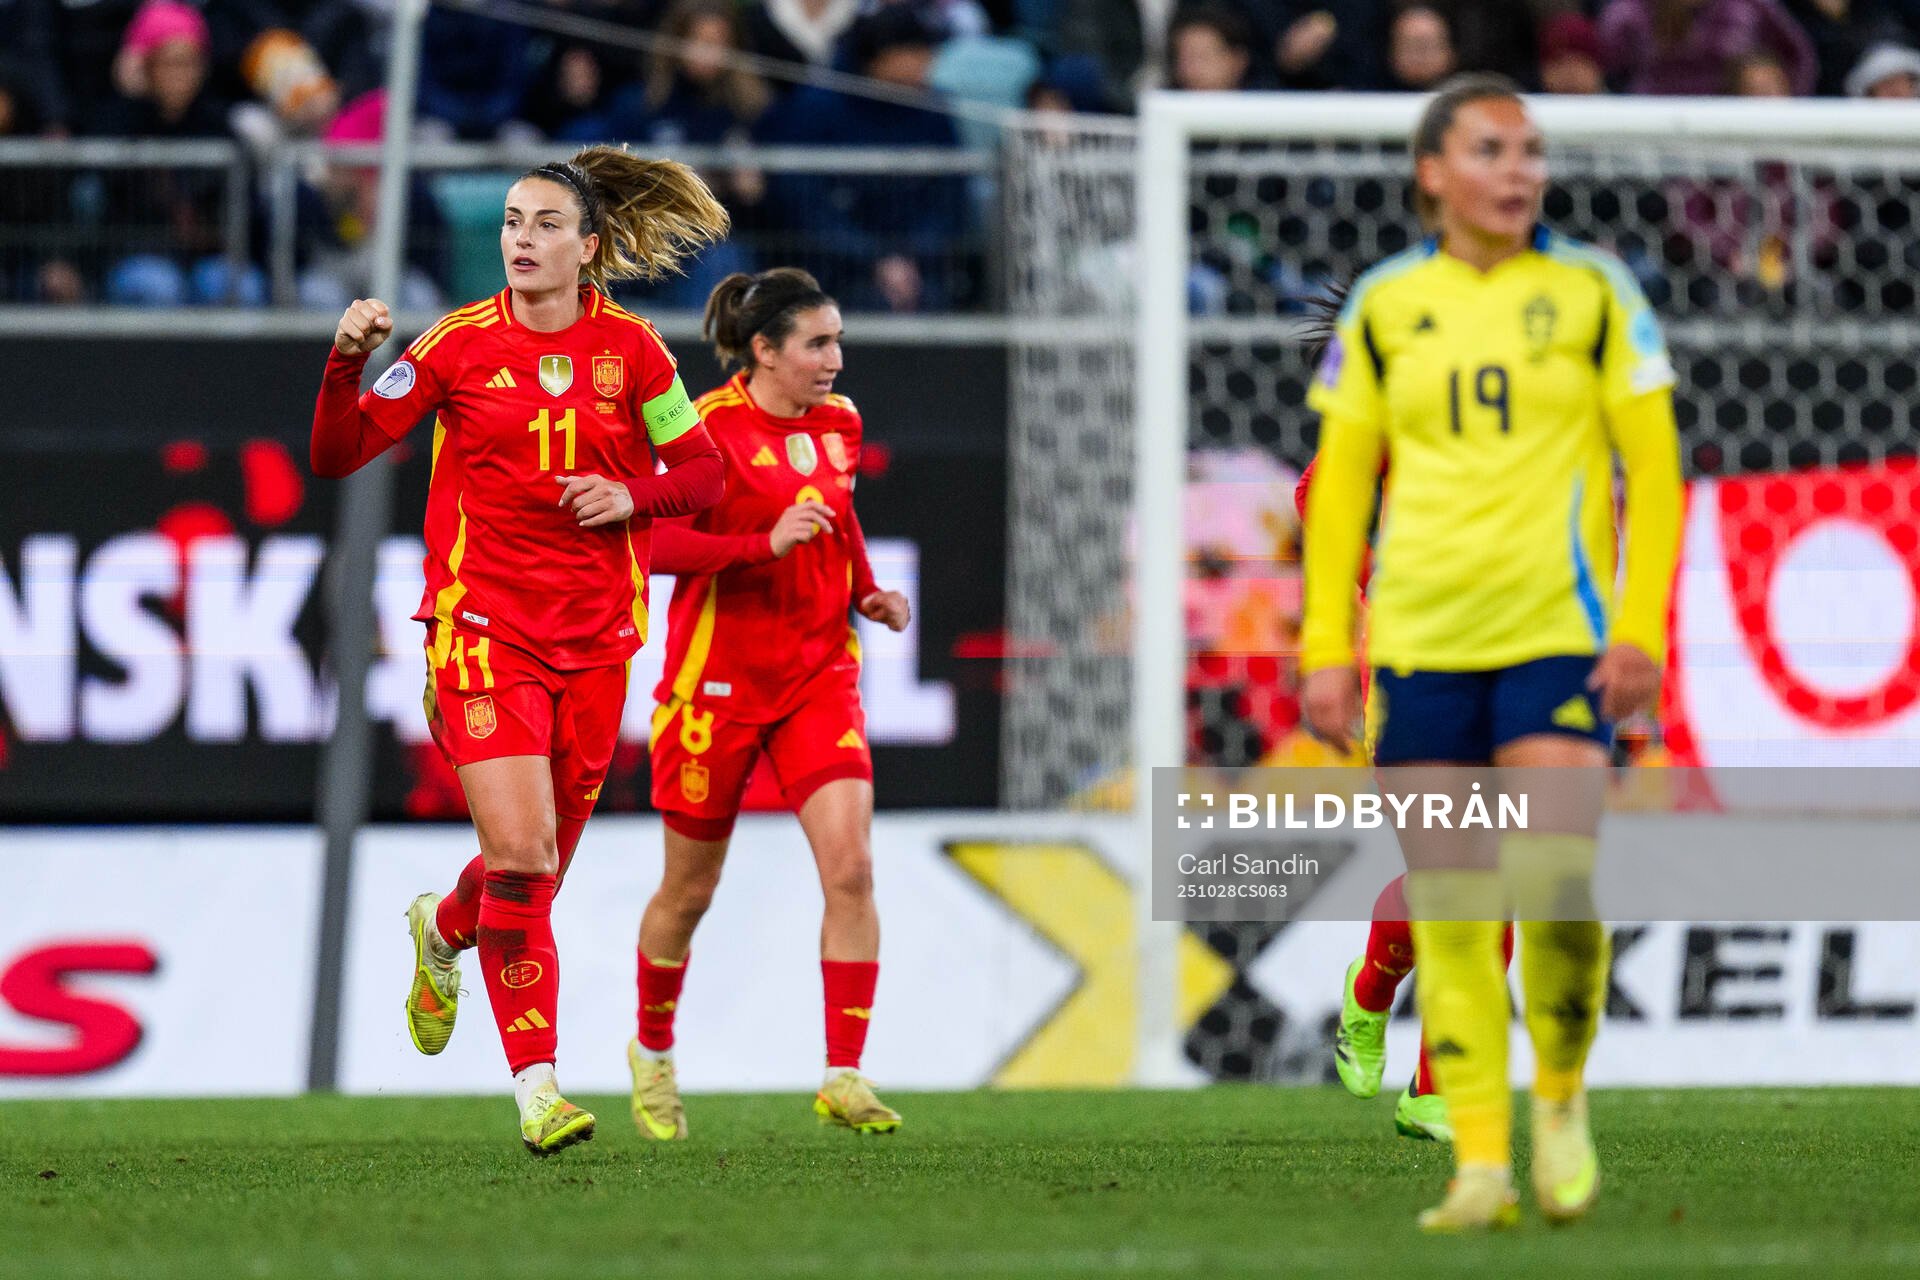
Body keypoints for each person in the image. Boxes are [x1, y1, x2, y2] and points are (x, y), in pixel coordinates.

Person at [1300, 75, 1684, 1230]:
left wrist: (1640, 630)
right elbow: (1333, 498)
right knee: (1459, 898)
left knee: (1551, 880)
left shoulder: (1596, 291)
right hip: (1420, 639)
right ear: (1434, 173)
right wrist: (1329, 646)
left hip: (1553, 631)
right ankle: (1476, 1154)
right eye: (1489, 149)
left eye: (1531, 149)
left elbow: (1654, 474)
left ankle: (1556, 1097)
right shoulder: (1384, 307)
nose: (1518, 169)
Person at [309, 145, 730, 1155]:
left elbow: (706, 475)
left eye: (544, 224)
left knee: (521, 879)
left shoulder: (635, 354)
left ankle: (441, 928)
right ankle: (539, 1087)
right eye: (509, 221)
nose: (521, 240)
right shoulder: (454, 346)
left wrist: (633, 494)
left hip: (595, 644)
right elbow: (337, 453)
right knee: (526, 854)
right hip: (481, 630)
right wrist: (342, 361)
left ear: (587, 248)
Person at [626, 267, 912, 1140]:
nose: (835, 359)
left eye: (837, 342)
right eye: (818, 343)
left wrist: (867, 589)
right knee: (689, 888)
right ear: (764, 351)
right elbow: (648, 539)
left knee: (852, 869)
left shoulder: (842, 424)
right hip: (718, 685)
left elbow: (842, 514)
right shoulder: (704, 430)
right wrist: (760, 543)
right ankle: (652, 1050)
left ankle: (843, 1073)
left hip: (819, 675)